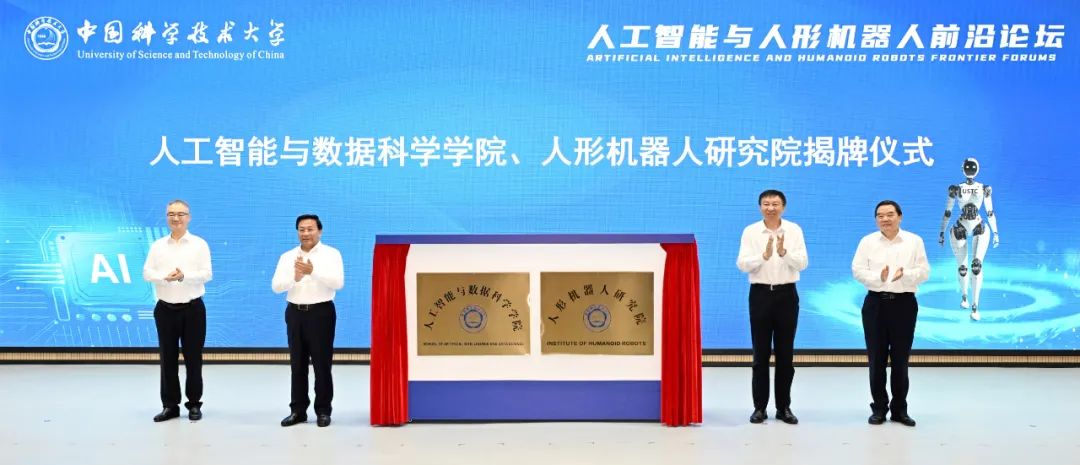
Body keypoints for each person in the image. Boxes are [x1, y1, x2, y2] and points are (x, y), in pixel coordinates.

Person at [851, 200, 929, 427]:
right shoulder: (867, 242)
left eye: (890, 214)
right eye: (880, 215)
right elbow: (857, 270)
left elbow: (924, 271)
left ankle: (900, 409)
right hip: (875, 304)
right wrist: (879, 278)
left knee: (900, 359)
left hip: (904, 304)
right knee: (876, 359)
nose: (885, 219)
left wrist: (905, 275)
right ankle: (878, 408)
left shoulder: (914, 241)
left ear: (900, 217)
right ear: (876, 219)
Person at [736, 189, 808, 425]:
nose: (770, 208)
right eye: (766, 204)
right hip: (760, 295)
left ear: (783, 207)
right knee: (760, 355)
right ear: (760, 207)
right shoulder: (751, 231)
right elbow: (742, 264)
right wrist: (764, 256)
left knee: (786, 355)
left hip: (787, 295)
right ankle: (759, 407)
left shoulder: (794, 230)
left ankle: (783, 407)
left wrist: (784, 253)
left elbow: (803, 263)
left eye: (775, 204)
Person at [143, 199, 212, 422]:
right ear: (167, 217)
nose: (176, 218)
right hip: (165, 309)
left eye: (181, 214)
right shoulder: (158, 246)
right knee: (167, 359)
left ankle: (194, 404)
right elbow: (147, 273)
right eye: (171, 214)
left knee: (194, 358)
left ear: (188, 217)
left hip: (193, 309)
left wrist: (184, 276)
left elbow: (207, 274)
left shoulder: (199, 244)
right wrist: (164, 277)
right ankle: (170, 406)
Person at [272, 214, 344, 427]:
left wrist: (313, 271)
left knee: (322, 364)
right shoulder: (287, 256)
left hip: (321, 313)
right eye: (301, 229)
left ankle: (323, 410)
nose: (306, 233)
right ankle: (298, 410)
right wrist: (294, 278)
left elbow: (338, 283)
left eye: (310, 229)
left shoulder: (332, 254)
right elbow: (276, 286)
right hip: (295, 313)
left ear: (319, 231)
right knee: (297, 364)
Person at [937, 158, 1000, 321]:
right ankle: (964, 296)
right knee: (963, 268)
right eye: (968, 167)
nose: (970, 169)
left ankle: (975, 305)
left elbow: (990, 212)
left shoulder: (984, 189)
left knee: (976, 266)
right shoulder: (956, 189)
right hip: (961, 225)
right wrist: (942, 231)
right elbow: (948, 211)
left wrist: (995, 232)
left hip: (978, 225)